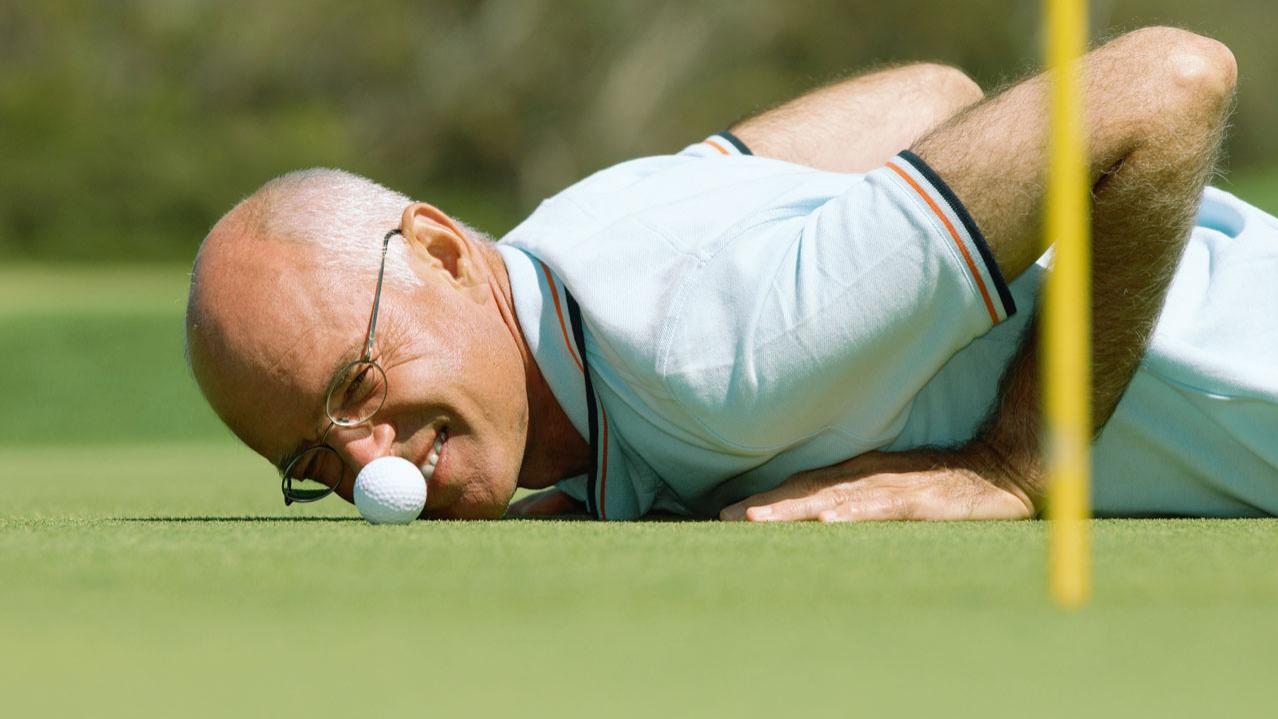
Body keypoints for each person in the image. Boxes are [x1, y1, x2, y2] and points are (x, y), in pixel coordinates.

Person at [185, 27, 1277, 522]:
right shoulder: (573, 237)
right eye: (318, 460)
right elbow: (926, 98)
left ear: (434, 251)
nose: (376, 465)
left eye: (356, 385)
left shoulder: (715, 350)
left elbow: (1167, 83)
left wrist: (1010, 461)